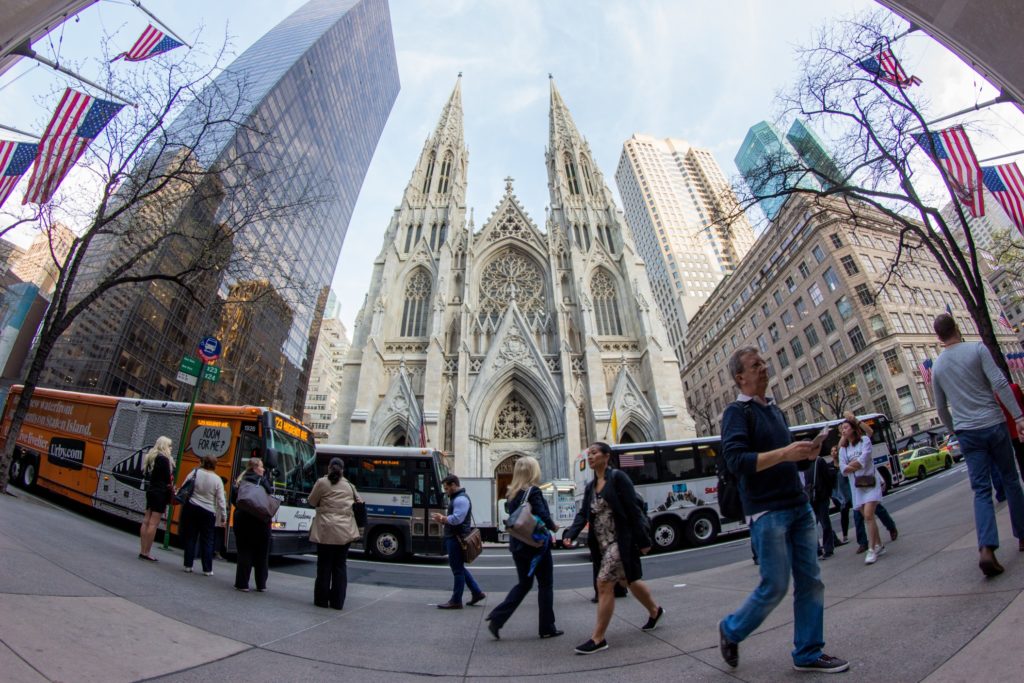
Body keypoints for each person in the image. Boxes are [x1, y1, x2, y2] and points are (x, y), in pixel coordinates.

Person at [717, 347, 848, 674]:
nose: (764, 367)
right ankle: (731, 630)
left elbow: (788, 458)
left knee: (811, 582)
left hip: (798, 504)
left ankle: (808, 651)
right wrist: (786, 453)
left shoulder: (775, 410)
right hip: (767, 511)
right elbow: (736, 461)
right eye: (755, 365)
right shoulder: (736, 412)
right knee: (774, 585)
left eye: (763, 362)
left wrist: (808, 453)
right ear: (740, 377)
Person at [930, 313, 1024, 576]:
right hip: (994, 424)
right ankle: (1023, 535)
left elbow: (940, 407)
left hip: (967, 432)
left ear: (938, 337)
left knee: (981, 490)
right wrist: (1018, 416)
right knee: (1010, 479)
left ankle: (986, 548)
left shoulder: (937, 367)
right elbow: (999, 383)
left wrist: (953, 430)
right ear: (957, 329)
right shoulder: (977, 349)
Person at [563, 441, 663, 655]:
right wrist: (570, 534)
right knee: (630, 581)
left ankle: (598, 638)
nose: (589, 457)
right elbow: (583, 514)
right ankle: (655, 610)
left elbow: (633, 510)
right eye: (588, 453)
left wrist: (644, 541)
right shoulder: (591, 486)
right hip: (602, 542)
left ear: (606, 456)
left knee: (604, 584)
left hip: (620, 540)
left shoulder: (619, 478)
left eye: (594, 453)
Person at [485, 456, 562, 639]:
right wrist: (553, 526)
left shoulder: (511, 494)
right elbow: (542, 514)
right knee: (545, 584)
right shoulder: (533, 491)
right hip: (536, 545)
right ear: (533, 471)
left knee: (524, 584)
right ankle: (547, 627)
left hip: (518, 545)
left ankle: (497, 618)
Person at [308, 457, 361, 610]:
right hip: (344, 531)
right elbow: (359, 502)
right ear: (342, 470)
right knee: (340, 566)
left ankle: (321, 600)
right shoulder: (350, 486)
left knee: (324, 566)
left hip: (325, 529)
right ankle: (337, 602)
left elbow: (312, 501)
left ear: (329, 468)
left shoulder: (322, 483)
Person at [431, 474, 486, 609]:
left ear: (454, 485)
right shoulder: (458, 498)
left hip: (456, 538)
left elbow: (457, 519)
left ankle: (456, 600)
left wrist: (443, 519)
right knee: (459, 568)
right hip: (455, 537)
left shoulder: (461, 499)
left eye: (447, 488)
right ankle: (477, 592)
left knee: (457, 571)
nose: (446, 490)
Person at [838, 418, 885, 565]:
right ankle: (879, 544)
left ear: (852, 428)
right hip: (857, 487)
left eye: (846, 427)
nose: (843, 430)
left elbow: (864, 459)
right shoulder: (844, 449)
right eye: (842, 429)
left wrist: (853, 465)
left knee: (869, 515)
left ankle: (871, 550)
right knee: (867, 517)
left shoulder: (864, 440)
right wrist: (855, 465)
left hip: (870, 483)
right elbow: (843, 469)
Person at [180, 455, 227, 576]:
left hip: (192, 507)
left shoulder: (195, 473)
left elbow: (184, 486)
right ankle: (207, 569)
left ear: (203, 462)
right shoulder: (217, 480)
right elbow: (221, 501)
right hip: (208, 511)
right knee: (207, 540)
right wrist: (223, 516)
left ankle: (188, 565)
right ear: (215, 465)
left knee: (191, 537)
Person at [232, 457, 272, 592]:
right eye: (261, 466)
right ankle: (261, 584)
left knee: (244, 551)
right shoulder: (263, 481)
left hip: (242, 519)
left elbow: (234, 499)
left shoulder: (240, 480)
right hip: (261, 521)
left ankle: (242, 583)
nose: (263, 469)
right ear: (255, 468)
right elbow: (269, 496)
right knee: (262, 554)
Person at [138, 436, 174, 562]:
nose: (171, 448)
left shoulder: (150, 457)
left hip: (151, 490)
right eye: (169, 446)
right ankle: (147, 552)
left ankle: (142, 550)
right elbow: (167, 479)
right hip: (160, 492)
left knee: (146, 521)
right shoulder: (164, 459)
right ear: (164, 446)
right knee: (153, 523)